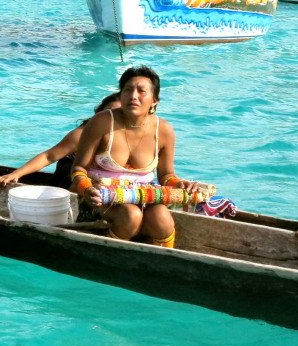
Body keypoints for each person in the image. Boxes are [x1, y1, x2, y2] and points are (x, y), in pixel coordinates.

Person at [69, 65, 203, 247]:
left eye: (141, 91)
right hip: (99, 198)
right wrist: (87, 189)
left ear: (154, 100)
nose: (133, 96)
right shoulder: (101, 122)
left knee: (162, 217)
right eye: (127, 90)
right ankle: (107, 253)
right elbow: (78, 169)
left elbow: (166, 176)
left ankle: (162, 260)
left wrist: (180, 185)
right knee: (131, 216)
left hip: (141, 196)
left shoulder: (164, 131)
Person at [0, 93, 122, 188]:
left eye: (117, 115)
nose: (111, 119)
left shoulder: (132, 138)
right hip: (70, 179)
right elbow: (48, 156)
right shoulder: (81, 135)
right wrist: (16, 173)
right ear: (97, 114)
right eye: (107, 113)